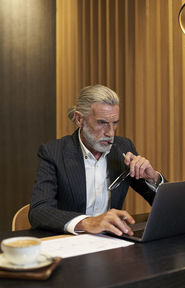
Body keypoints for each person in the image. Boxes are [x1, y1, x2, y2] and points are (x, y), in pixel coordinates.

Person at [29, 84, 165, 236]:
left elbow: (166, 208)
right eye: (102, 123)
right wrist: (88, 222)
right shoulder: (53, 152)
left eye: (114, 123)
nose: (110, 133)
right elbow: (38, 211)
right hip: (69, 242)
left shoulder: (124, 147)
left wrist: (153, 179)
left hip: (110, 243)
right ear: (79, 119)